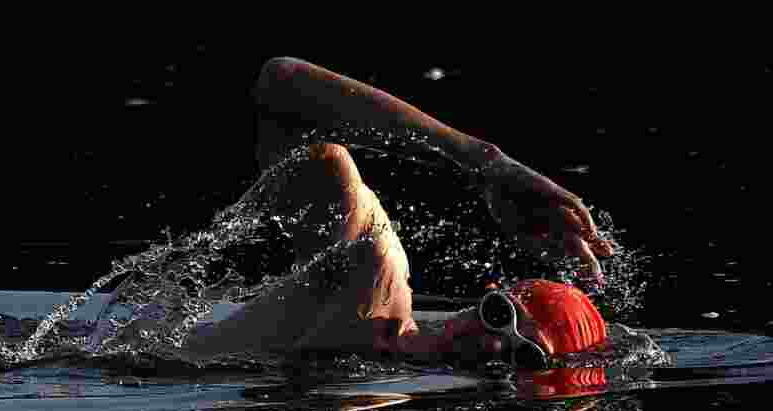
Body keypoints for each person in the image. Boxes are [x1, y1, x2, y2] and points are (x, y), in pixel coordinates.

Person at [176, 58, 615, 367]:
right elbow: (283, 84)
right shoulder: (371, 278)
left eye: (526, 356)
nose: (494, 348)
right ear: (487, 294)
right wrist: (485, 162)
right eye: (500, 317)